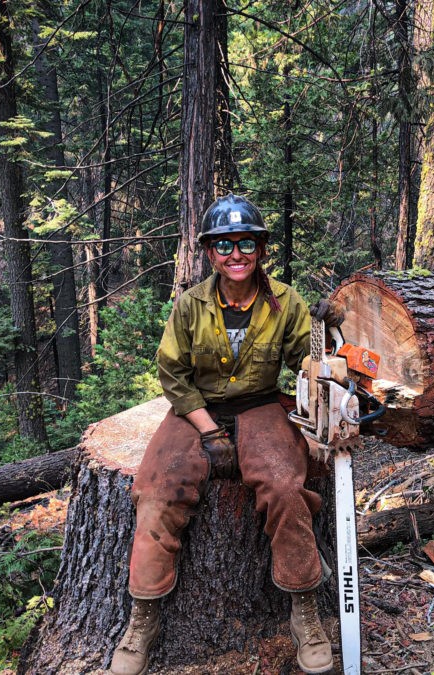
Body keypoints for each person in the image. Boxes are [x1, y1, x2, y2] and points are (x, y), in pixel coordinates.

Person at [108, 194, 343, 675]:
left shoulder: (286, 301)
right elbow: (173, 373)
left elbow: (307, 361)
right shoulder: (191, 305)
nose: (236, 254)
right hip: (196, 407)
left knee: (284, 486)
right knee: (157, 490)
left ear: (260, 249)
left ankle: (305, 611)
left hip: (260, 406)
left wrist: (328, 336)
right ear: (210, 253)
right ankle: (143, 618)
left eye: (247, 244)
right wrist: (208, 430)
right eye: (224, 245)